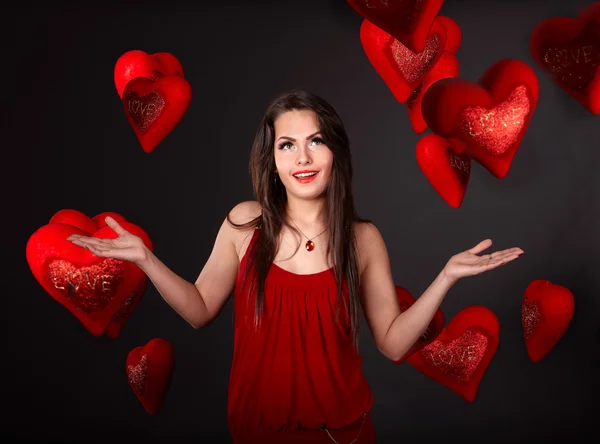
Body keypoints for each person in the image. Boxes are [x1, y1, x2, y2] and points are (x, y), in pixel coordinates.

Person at [67, 90, 524, 443]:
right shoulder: (243, 223)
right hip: (257, 432)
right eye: (287, 145)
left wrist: (445, 277)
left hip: (343, 434)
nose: (302, 158)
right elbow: (200, 308)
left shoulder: (362, 239)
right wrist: (146, 260)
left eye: (315, 142)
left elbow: (392, 344)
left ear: (335, 154)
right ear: (272, 160)